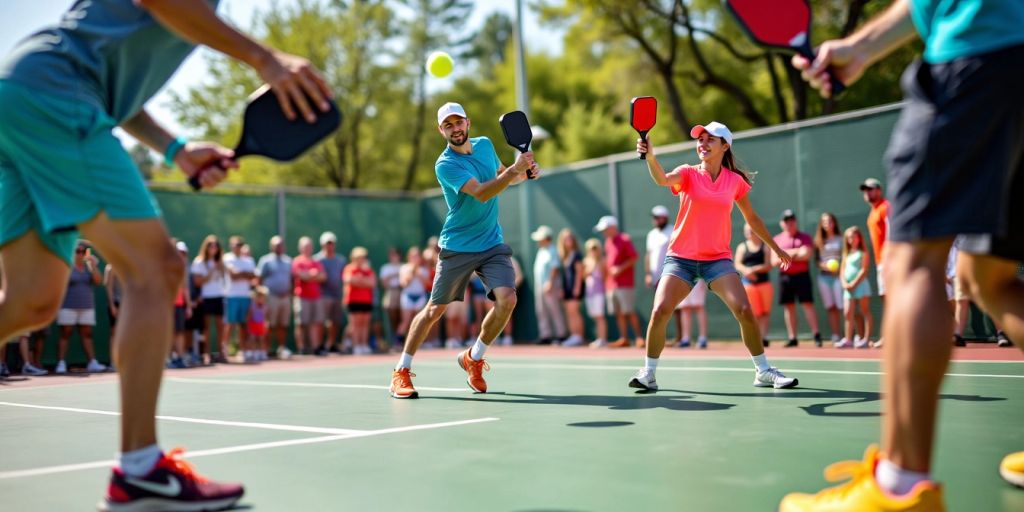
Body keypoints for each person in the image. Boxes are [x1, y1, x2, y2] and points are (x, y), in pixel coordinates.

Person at [0, 0, 333, 507]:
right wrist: (264, 58)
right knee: (155, 269)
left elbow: (119, 93)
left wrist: (176, 150)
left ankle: (139, 472)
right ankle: (140, 471)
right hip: (56, 90)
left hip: (27, 93)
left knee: (31, 301)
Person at [782, 0, 1024, 508]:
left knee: (913, 262)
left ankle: (898, 488)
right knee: (990, 277)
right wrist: (860, 47)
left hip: (980, 55)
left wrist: (862, 46)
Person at [630, 121, 797, 392]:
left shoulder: (735, 182)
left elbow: (752, 218)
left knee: (744, 310)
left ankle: (763, 371)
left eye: (710, 139)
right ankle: (648, 373)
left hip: (717, 259)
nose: (703, 144)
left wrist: (776, 248)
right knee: (660, 311)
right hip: (680, 259)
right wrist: (651, 157)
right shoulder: (687, 173)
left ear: (724, 146)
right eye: (700, 139)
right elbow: (662, 179)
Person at [390, 102, 536, 399]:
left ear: (468, 123)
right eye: (448, 125)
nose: (455, 129)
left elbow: (500, 177)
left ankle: (474, 358)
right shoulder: (445, 164)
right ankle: (401, 371)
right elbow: (482, 193)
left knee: (508, 300)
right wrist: (514, 171)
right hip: (457, 246)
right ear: (440, 130)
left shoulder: (485, 145)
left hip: (492, 242)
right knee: (435, 310)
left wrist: (526, 173)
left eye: (459, 123)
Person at [773, 209, 823, 347]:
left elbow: (806, 255)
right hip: (785, 277)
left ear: (795, 221)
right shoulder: (777, 239)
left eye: (792, 220)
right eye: (786, 221)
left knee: (807, 304)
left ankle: (816, 335)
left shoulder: (805, 237)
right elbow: (774, 261)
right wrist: (796, 253)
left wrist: (785, 254)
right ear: (782, 223)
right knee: (789, 307)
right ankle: (793, 338)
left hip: (802, 276)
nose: (790, 223)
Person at [56, 241, 107, 374]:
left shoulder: (89, 267)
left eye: (83, 252)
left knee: (87, 334)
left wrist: (92, 264)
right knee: (65, 334)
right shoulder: (67, 266)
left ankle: (92, 363)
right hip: (68, 306)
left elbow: (98, 281)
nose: (80, 254)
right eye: (77, 251)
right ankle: (61, 363)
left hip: (86, 306)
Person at [595, 215, 645, 348]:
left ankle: (639, 338)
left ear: (613, 228)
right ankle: (624, 338)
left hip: (625, 283)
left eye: (605, 229)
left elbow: (634, 257)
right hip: (611, 285)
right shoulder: (607, 242)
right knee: (618, 313)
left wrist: (620, 269)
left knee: (629, 311)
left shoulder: (624, 239)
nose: (604, 232)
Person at [645, 205, 683, 343]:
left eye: (657, 217)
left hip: (671, 274)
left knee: (677, 307)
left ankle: (681, 337)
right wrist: (648, 274)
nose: (655, 220)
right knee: (659, 307)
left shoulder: (674, 230)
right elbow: (648, 255)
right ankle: (660, 338)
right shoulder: (651, 234)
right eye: (654, 217)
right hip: (656, 278)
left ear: (665, 218)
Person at [860, 177, 890, 348]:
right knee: (886, 299)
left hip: (890, 261)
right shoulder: (873, 213)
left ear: (879, 190)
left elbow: (893, 233)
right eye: (865, 190)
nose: (867, 192)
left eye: (870, 189)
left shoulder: (886, 207)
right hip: (881, 263)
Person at [735, 224, 773, 347]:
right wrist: (746, 271)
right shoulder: (742, 247)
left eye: (751, 230)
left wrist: (755, 269)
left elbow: (768, 264)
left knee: (765, 312)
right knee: (754, 312)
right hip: (748, 285)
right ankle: (756, 337)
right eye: (746, 231)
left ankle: (764, 336)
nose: (749, 233)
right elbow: (737, 264)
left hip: (764, 284)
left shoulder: (765, 246)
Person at [191, 235, 227, 363]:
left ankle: (220, 353)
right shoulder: (199, 262)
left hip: (219, 296)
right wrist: (211, 272)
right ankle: (206, 353)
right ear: (206, 247)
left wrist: (220, 267)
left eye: (216, 245)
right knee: (206, 327)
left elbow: (224, 279)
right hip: (206, 297)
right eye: (211, 245)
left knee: (220, 326)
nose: (214, 248)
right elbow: (198, 282)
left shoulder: (221, 262)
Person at [256, 235, 293, 359]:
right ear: (271, 247)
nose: (279, 247)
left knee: (283, 324)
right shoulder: (265, 261)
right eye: (276, 245)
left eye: (281, 245)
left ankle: (281, 349)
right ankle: (266, 349)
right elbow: (259, 279)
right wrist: (261, 297)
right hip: (271, 297)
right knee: (269, 324)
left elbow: (292, 280)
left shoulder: (288, 261)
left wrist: (289, 293)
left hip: (285, 298)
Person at [531, 225, 567, 345]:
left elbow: (555, 268)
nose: (538, 241)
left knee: (555, 310)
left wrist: (550, 283)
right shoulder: (541, 251)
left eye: (540, 239)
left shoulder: (553, 250)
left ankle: (561, 335)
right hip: (540, 286)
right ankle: (545, 335)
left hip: (550, 286)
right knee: (541, 311)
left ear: (546, 238)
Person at [839, 227, 874, 349]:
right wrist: (844, 283)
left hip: (860, 286)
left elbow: (864, 270)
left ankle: (866, 339)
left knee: (865, 311)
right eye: (848, 237)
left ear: (859, 238)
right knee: (848, 312)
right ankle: (848, 340)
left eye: (853, 237)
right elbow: (842, 270)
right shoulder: (846, 254)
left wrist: (854, 283)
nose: (851, 240)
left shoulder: (863, 252)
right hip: (848, 288)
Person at [223, 235, 256, 362]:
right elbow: (233, 275)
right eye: (233, 245)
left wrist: (241, 273)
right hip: (231, 296)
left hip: (245, 296)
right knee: (230, 324)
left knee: (243, 325)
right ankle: (224, 350)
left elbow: (252, 275)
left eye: (238, 245)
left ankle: (243, 351)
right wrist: (244, 274)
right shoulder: (227, 258)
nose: (236, 247)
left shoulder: (248, 260)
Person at [814, 212, 845, 345]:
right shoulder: (818, 241)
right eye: (825, 222)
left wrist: (839, 269)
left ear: (834, 223)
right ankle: (836, 335)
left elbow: (845, 258)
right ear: (822, 224)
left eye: (830, 221)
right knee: (831, 307)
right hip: (824, 278)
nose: (828, 224)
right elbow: (817, 261)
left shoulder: (841, 239)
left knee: (842, 306)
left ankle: (847, 336)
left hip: (839, 277)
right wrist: (825, 266)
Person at [292, 236, 326, 355]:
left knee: (315, 323)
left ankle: (315, 347)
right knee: (301, 323)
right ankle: (301, 348)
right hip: (302, 297)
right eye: (305, 246)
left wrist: (310, 275)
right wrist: (312, 275)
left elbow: (323, 277)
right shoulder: (297, 261)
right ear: (300, 248)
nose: (307, 249)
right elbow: (301, 276)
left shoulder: (316, 262)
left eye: (309, 246)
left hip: (316, 297)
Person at [315, 231, 347, 355]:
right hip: (323, 295)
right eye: (327, 243)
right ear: (322, 245)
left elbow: (343, 277)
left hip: (337, 295)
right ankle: (320, 345)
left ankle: (331, 344)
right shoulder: (317, 259)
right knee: (322, 321)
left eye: (332, 243)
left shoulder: (340, 260)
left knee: (335, 321)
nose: (330, 246)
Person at [343, 247, 376, 355]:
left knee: (364, 324)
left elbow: (372, 283)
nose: (362, 259)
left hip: (366, 300)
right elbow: (349, 280)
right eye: (359, 257)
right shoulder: (349, 268)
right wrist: (363, 282)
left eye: (363, 257)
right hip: (353, 300)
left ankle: (363, 345)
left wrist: (359, 280)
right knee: (355, 324)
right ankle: (356, 345)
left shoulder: (368, 270)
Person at [558, 228, 585, 347]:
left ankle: (579, 336)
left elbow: (579, 273)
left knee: (574, 312)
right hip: (568, 289)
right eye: (565, 239)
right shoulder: (566, 256)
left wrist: (577, 287)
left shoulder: (577, 254)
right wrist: (564, 289)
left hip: (575, 289)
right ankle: (573, 335)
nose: (568, 241)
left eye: (570, 238)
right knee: (569, 312)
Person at [397, 246, 431, 344]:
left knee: (419, 321)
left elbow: (428, 284)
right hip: (408, 296)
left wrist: (419, 274)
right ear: (409, 257)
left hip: (420, 296)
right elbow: (403, 283)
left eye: (417, 256)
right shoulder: (404, 268)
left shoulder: (424, 270)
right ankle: (400, 341)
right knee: (406, 321)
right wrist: (412, 272)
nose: (415, 258)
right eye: (413, 256)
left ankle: (419, 341)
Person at [169, 240, 192, 369]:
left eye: (183, 253)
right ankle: (170, 357)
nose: (181, 255)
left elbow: (185, 288)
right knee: (171, 332)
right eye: (178, 252)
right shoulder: (166, 266)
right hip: (168, 305)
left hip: (179, 304)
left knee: (180, 332)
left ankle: (179, 357)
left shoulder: (183, 269)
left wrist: (188, 306)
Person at [379, 247, 403, 345]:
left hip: (402, 291)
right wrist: (395, 275)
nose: (394, 257)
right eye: (392, 255)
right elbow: (384, 283)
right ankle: (393, 337)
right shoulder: (385, 267)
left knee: (402, 315)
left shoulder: (403, 266)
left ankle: (401, 337)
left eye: (395, 254)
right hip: (391, 292)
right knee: (391, 312)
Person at [675, 279, 708, 349]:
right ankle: (686, 339)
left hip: (697, 277)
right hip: (683, 278)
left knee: (698, 306)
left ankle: (703, 339)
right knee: (685, 308)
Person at [248, 286, 269, 361]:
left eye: (262, 297)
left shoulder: (265, 306)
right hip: (253, 324)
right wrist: (249, 325)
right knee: (253, 339)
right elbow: (249, 315)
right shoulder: (252, 306)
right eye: (258, 297)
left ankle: (263, 353)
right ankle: (254, 353)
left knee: (262, 339)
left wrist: (266, 324)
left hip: (261, 325)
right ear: (255, 297)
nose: (260, 299)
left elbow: (266, 317)